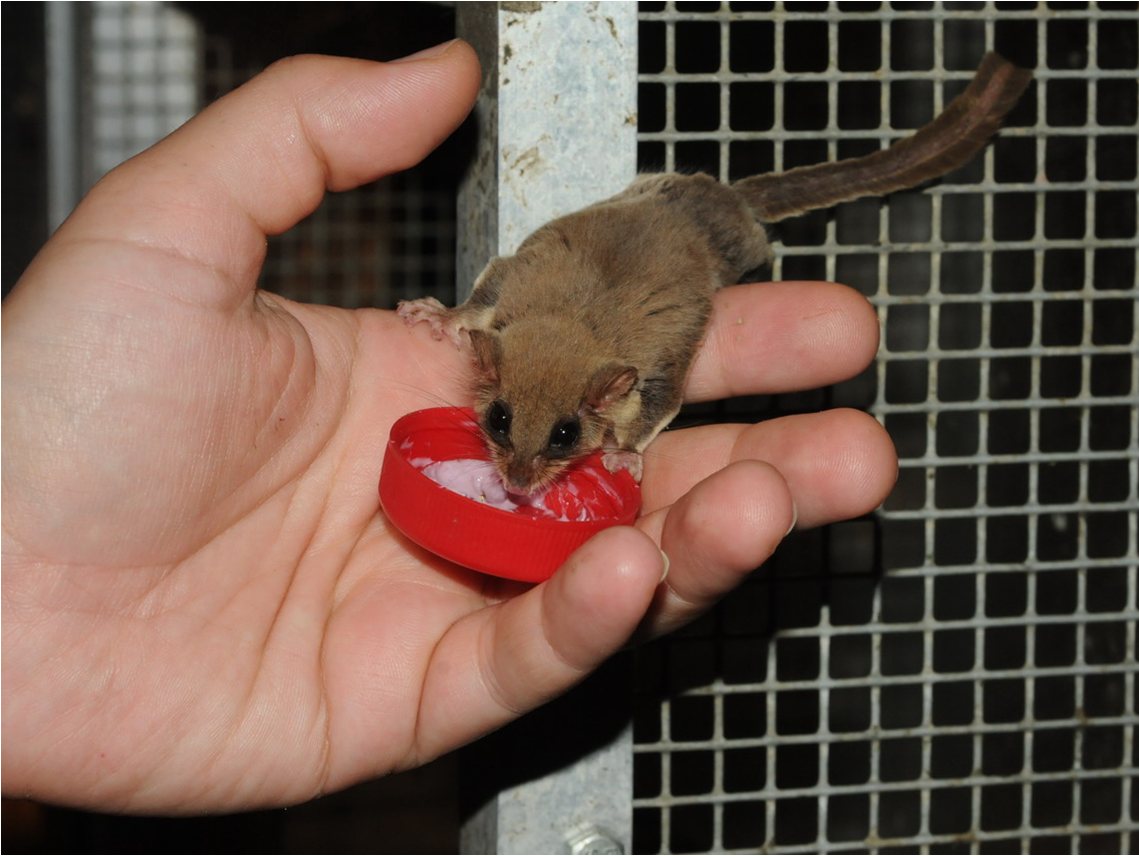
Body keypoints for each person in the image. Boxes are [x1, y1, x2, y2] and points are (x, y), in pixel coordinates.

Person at [1, 41, 896, 814]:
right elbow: (506, 281)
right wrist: (464, 313)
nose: (515, 469)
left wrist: (628, 438)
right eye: (501, 427)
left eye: (552, 448)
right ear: (490, 370)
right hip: (594, 264)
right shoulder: (508, 323)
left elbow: (663, 374)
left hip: (681, 242)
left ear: (604, 400)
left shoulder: (626, 380)